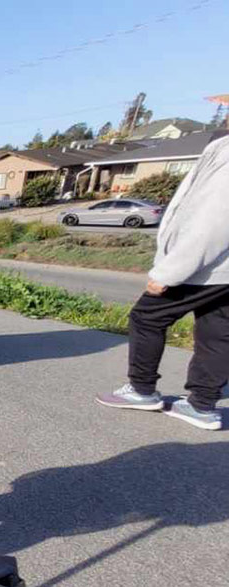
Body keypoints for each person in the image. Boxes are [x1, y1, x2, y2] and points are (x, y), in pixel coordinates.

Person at [96, 133, 229, 430]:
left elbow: (213, 222)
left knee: (147, 316)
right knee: (218, 331)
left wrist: (169, 273)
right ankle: (202, 405)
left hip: (207, 265)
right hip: (222, 269)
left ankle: (142, 390)